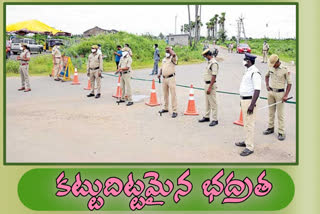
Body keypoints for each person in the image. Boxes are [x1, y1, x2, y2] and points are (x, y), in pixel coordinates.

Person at [235, 53, 261, 156]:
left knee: (250, 124)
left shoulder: (255, 73)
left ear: (248, 61)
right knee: (246, 123)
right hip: (244, 100)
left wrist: (251, 105)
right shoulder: (248, 71)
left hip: (250, 101)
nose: (243, 61)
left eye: (245, 60)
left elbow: (257, 90)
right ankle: (246, 141)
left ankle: (249, 147)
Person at [263, 54, 292, 141]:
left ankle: (281, 132)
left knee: (280, 114)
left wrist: (286, 95)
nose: (273, 66)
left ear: (277, 62)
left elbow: (289, 83)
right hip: (271, 92)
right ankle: (270, 128)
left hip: (280, 94)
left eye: (274, 64)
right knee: (271, 112)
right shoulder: (271, 67)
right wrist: (267, 85)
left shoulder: (284, 69)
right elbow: (266, 76)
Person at [198, 49, 219, 126]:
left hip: (211, 85)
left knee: (213, 103)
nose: (204, 57)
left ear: (208, 55)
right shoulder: (209, 62)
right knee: (207, 102)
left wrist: (210, 87)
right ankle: (207, 116)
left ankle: (215, 119)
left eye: (205, 56)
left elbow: (214, 76)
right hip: (207, 84)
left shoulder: (214, 63)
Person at [157, 46, 178, 118]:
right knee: (165, 94)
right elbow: (162, 68)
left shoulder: (173, 58)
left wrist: (170, 50)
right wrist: (159, 74)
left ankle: (174, 111)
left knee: (173, 95)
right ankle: (165, 108)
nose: (167, 52)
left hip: (171, 78)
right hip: (164, 78)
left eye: (168, 51)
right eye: (166, 51)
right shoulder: (164, 59)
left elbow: (174, 55)